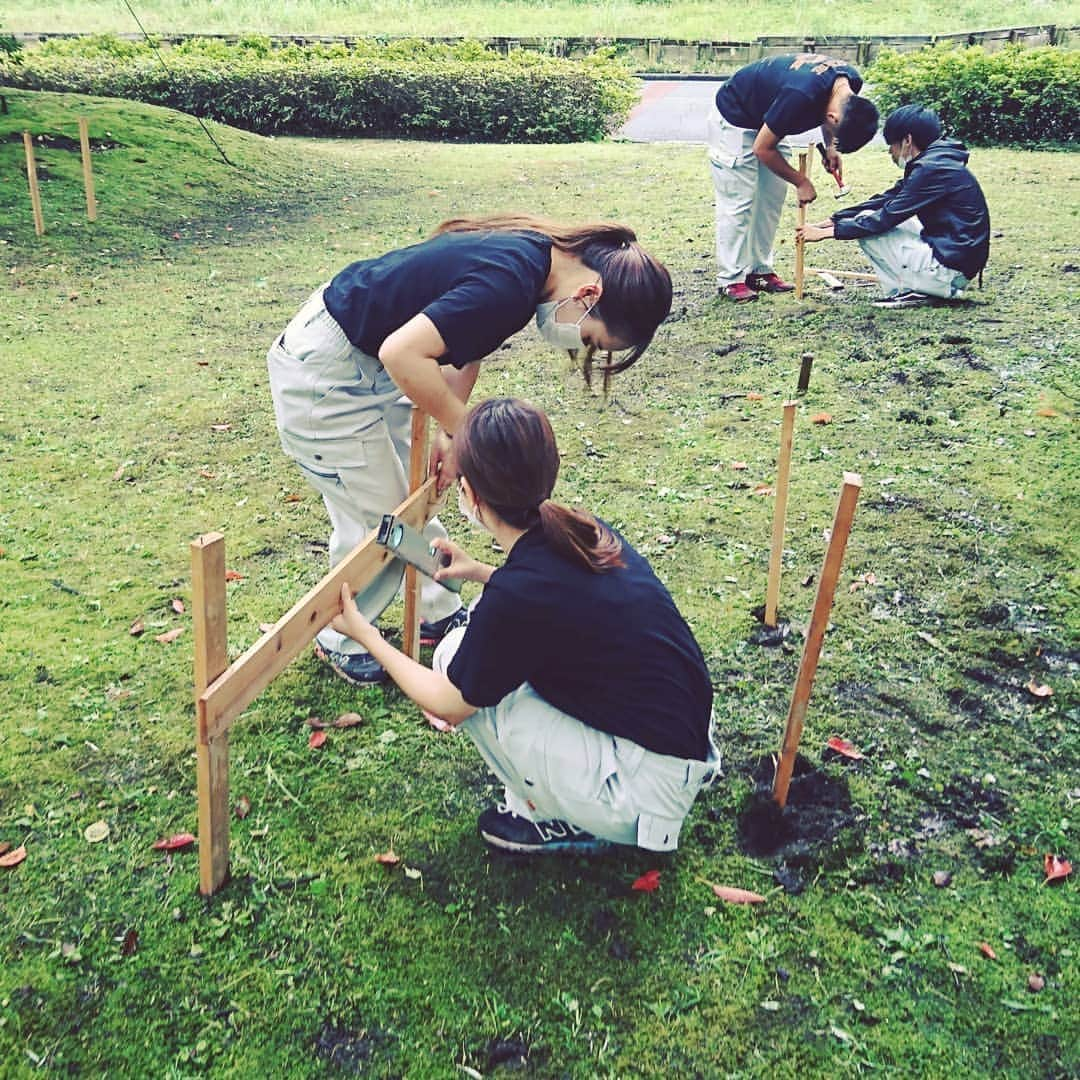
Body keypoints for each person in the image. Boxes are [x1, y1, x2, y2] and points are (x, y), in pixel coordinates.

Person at [268, 215, 672, 685]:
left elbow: (467, 340)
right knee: (378, 518)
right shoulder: (511, 284)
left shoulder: (536, 267)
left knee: (413, 494)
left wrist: (451, 427)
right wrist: (467, 432)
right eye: (587, 338)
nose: (576, 344)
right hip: (325, 376)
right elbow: (402, 354)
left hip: (365, 361)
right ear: (588, 297)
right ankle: (340, 638)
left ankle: (437, 609)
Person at [330, 397, 718, 856]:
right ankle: (598, 797)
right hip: (683, 747)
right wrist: (480, 572)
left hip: (642, 794)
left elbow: (449, 704)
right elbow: (564, 603)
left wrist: (367, 636)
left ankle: (559, 819)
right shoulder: (586, 530)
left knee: (457, 661)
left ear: (471, 495)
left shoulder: (519, 596)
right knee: (477, 649)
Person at [707, 53, 879, 301]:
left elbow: (830, 110)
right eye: (834, 130)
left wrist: (831, 146)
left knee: (770, 200)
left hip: (768, 117)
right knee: (739, 202)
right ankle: (731, 279)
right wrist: (801, 181)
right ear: (833, 119)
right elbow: (762, 148)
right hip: (735, 116)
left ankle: (759, 271)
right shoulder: (800, 94)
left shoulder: (849, 84)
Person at [797, 105, 990, 309]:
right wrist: (834, 219)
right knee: (868, 216)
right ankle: (923, 286)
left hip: (951, 267)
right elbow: (889, 197)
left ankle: (917, 290)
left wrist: (828, 233)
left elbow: (886, 217)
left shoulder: (931, 170)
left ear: (907, 141)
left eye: (892, 144)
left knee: (870, 225)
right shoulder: (937, 162)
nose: (890, 151)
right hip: (956, 257)